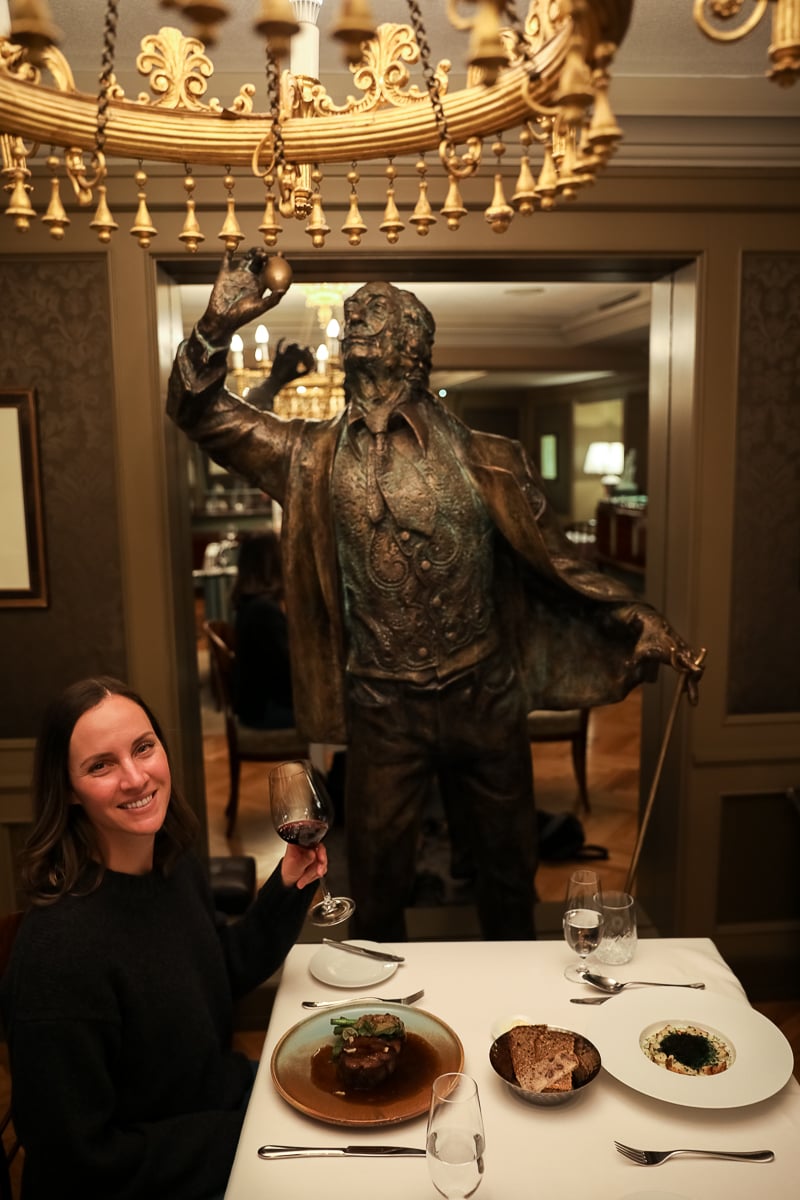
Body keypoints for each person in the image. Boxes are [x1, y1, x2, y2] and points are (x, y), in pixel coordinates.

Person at [167, 248, 704, 943]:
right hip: (381, 712)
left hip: (487, 700)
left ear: (414, 346)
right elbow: (197, 411)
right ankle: (387, 1035)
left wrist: (639, 617)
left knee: (509, 884)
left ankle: (519, 1031)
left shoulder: (488, 460)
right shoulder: (304, 457)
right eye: (355, 310)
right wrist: (215, 325)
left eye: (377, 311)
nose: (356, 310)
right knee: (376, 891)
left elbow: (563, 567)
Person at [0, 676, 325, 1200]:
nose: (135, 777)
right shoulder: (58, 956)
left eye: (143, 748)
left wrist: (286, 887)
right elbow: (77, 1162)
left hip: (214, 1113)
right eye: (100, 765)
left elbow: (214, 971)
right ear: (69, 791)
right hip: (162, 1174)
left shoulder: (171, 868)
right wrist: (250, 1137)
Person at [230, 530, 294, 730]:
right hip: (264, 712)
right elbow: (286, 675)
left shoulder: (250, 605)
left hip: (254, 706)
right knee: (344, 720)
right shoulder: (263, 611)